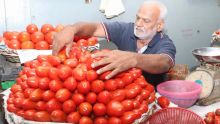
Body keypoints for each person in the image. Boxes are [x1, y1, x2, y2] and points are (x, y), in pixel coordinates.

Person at [52, 0, 176, 87]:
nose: (138, 23)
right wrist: (72, 29)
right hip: (121, 94)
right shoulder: (126, 30)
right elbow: (94, 28)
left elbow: (164, 62)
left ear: (159, 26)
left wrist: (134, 59)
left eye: (146, 21)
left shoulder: (165, 43)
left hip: (149, 99)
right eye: (138, 18)